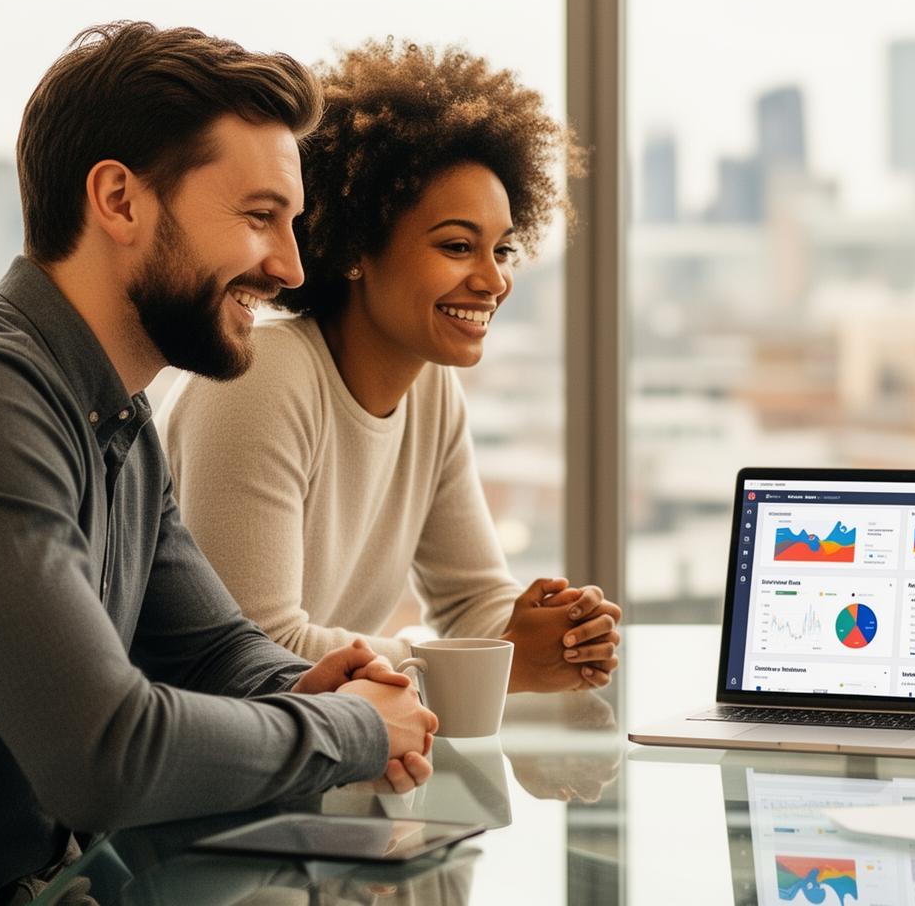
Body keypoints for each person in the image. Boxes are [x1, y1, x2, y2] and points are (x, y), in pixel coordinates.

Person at [0, 22, 439, 901]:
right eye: (260, 218)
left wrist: (312, 685)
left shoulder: (117, 414)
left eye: (293, 225)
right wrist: (353, 728)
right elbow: (104, 755)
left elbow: (211, 648)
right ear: (120, 200)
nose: (290, 267)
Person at [161, 40, 621, 691]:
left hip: (328, 751)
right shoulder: (263, 378)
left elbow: (472, 603)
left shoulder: (432, 392)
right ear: (355, 248)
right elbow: (259, 646)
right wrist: (500, 663)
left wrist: (559, 631)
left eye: (504, 250)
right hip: (212, 764)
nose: (493, 280)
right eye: (459, 246)